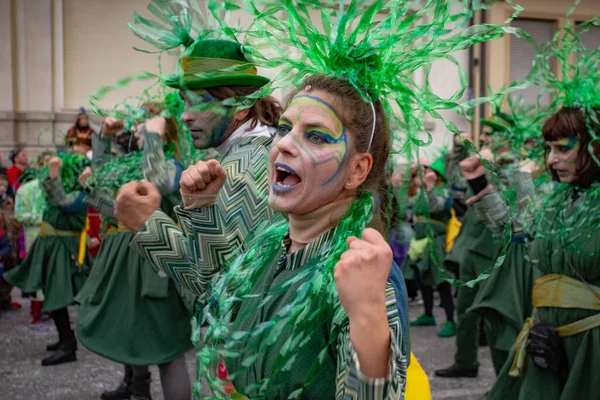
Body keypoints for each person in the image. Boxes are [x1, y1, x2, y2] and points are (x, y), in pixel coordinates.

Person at [118, 73, 408, 398]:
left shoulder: (362, 278)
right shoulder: (270, 245)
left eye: (316, 136)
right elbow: (217, 299)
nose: (283, 143)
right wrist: (201, 210)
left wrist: (368, 317)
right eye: (284, 129)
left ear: (357, 170)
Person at [75, 104, 194, 400]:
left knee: (167, 348)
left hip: (152, 263)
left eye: (143, 124)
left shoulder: (172, 164)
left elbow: (158, 182)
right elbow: (112, 199)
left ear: (162, 131)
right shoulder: (132, 163)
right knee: (130, 332)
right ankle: (139, 391)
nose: (136, 129)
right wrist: (102, 138)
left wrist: (153, 137)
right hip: (124, 260)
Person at [4, 154, 89, 366]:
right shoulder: (67, 191)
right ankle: (65, 338)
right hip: (52, 248)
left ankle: (68, 346)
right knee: (51, 293)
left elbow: (63, 203)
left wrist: (54, 175)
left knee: (57, 295)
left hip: (62, 250)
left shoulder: (81, 195)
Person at [404, 160, 457, 338]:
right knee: (423, 278)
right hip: (420, 240)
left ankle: (450, 320)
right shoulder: (424, 190)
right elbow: (410, 206)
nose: (426, 174)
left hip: (436, 240)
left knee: (441, 281)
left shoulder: (445, 191)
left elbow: (436, 208)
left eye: (430, 171)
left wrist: (430, 186)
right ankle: (428, 315)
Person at [13, 152, 52, 324]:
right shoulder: (26, 189)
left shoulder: (58, 188)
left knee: (52, 273)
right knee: (37, 272)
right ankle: (37, 311)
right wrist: (42, 217)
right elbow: (19, 215)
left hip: (54, 237)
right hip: (34, 236)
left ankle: (51, 309)